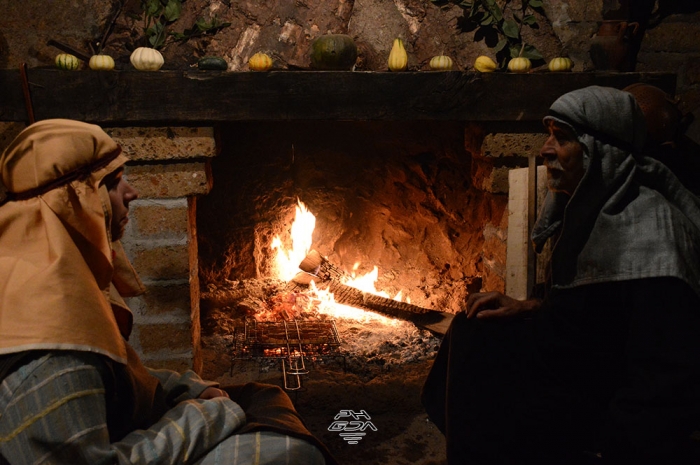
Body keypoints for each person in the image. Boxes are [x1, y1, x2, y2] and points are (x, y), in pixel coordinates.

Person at [0, 119, 335, 465]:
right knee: (296, 453)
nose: (133, 193)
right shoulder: (51, 347)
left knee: (264, 397)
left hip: (117, 428)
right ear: (75, 202)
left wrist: (186, 390)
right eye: (114, 183)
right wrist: (206, 416)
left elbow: (113, 379)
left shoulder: (37, 277)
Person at [421, 86, 700, 464]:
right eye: (549, 135)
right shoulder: (595, 211)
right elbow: (596, 307)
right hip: (579, 362)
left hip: (599, 398)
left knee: (485, 372)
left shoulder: (653, 233)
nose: (546, 150)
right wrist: (531, 306)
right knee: (474, 328)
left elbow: (661, 376)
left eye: (563, 139)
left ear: (602, 152)